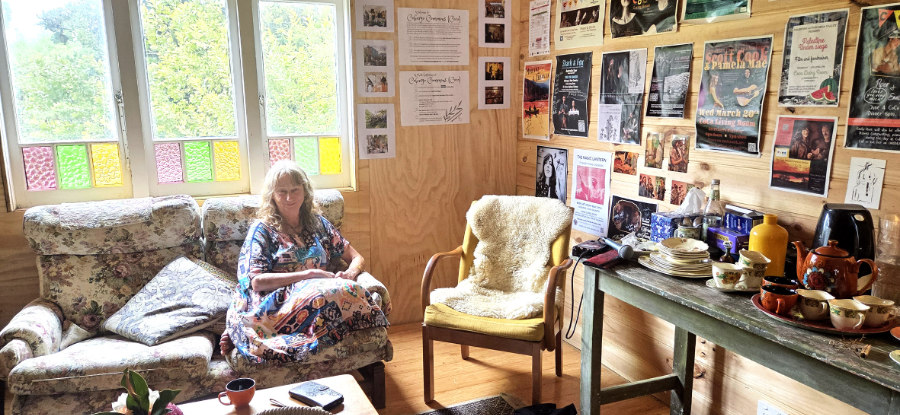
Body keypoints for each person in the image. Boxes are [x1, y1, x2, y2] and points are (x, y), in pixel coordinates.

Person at [220, 160, 388, 363]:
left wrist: (350, 274)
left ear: (305, 191)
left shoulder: (318, 224)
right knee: (326, 294)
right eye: (282, 191)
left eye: (295, 190)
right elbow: (257, 281)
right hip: (276, 301)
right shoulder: (262, 230)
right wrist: (308, 275)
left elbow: (356, 257)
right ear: (272, 195)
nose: (289, 197)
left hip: (319, 293)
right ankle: (246, 329)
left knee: (350, 291)